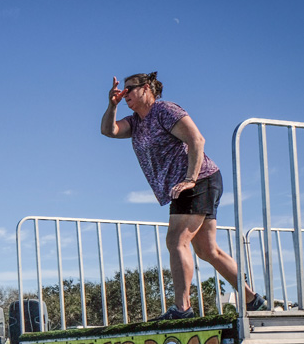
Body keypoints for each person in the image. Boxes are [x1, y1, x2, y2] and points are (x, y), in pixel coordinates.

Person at [101, 72, 268, 320]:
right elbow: (109, 131)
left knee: (176, 240)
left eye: (130, 89)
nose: (124, 94)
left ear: (146, 88)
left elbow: (197, 139)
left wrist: (190, 178)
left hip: (197, 180)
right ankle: (253, 300)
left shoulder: (165, 110)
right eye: (122, 91)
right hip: (189, 184)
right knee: (207, 250)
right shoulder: (136, 122)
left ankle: (182, 308)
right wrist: (111, 105)